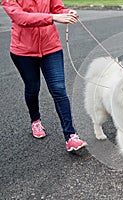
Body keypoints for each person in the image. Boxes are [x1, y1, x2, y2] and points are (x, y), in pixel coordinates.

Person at [2, 0, 87, 151]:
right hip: (23, 52)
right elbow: (21, 18)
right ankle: (35, 120)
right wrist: (53, 17)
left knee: (59, 89)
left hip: (51, 48)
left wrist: (67, 13)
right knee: (33, 88)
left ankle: (71, 136)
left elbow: (57, 8)